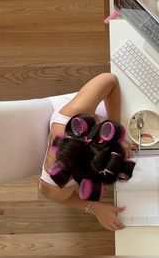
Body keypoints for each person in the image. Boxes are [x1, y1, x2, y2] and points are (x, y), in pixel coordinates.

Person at [39, 73, 137, 231]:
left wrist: (118, 131)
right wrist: (95, 209)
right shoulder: (54, 187)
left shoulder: (74, 116)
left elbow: (109, 79)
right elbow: (56, 197)